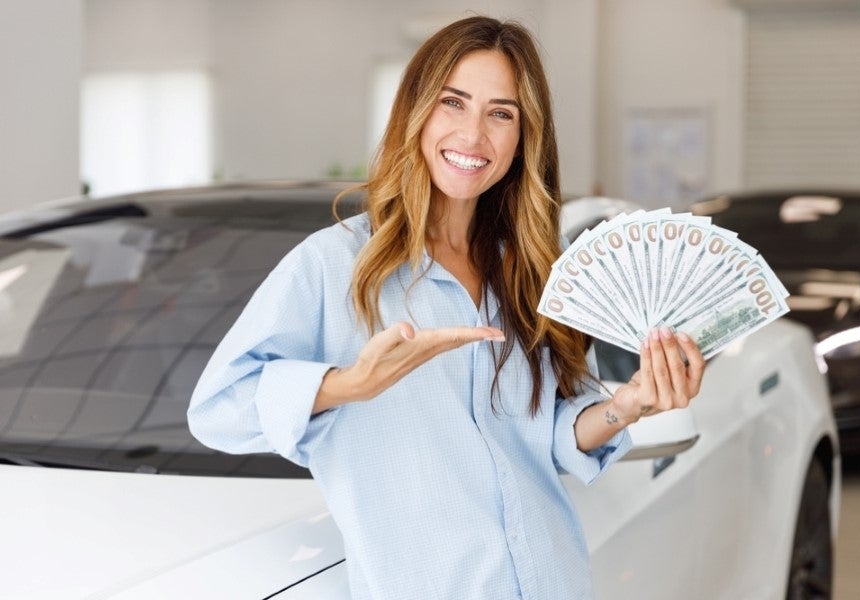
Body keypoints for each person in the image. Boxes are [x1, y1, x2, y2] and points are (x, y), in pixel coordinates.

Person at [188, 15, 705, 600]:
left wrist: (628, 405)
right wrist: (348, 385)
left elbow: (549, 439)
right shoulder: (333, 265)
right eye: (452, 103)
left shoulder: (530, 268)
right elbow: (216, 411)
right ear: (415, 112)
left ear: (523, 136)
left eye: (501, 113)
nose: (473, 135)